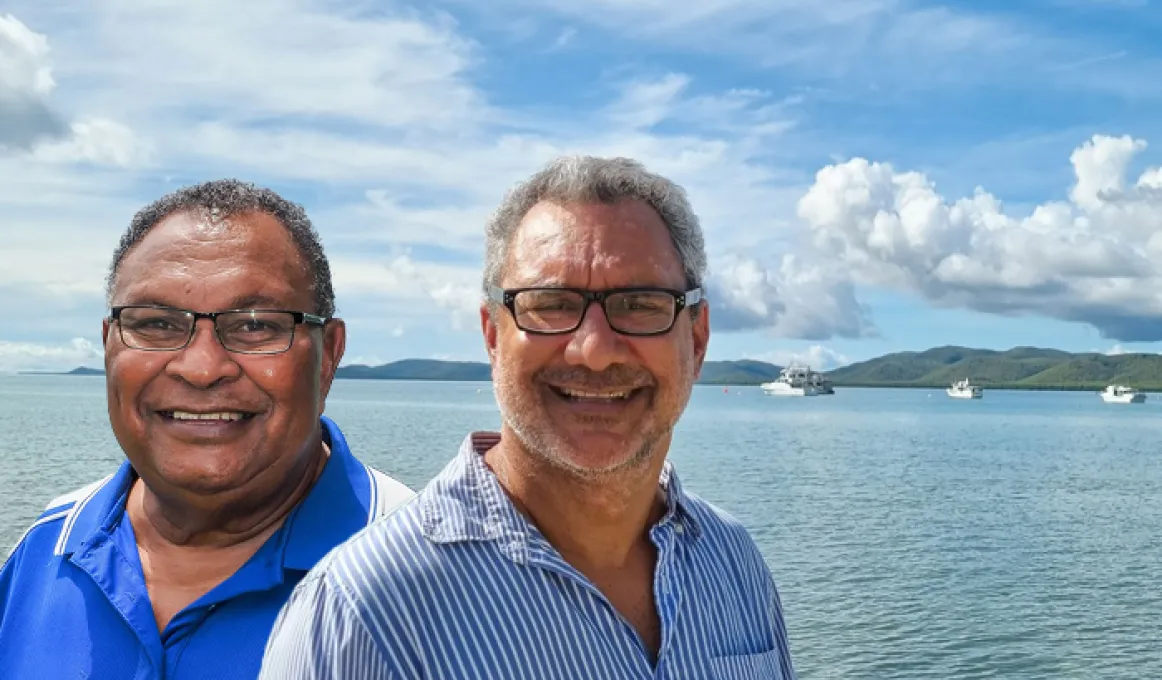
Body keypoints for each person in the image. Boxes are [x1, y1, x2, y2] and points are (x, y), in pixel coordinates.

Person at [261, 156, 798, 679]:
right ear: (493, 336)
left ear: (697, 340)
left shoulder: (732, 563)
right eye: (551, 304)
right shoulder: (361, 616)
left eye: (640, 304)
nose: (594, 351)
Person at [0, 180, 415, 680]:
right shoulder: (46, 549)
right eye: (155, 323)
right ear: (109, 346)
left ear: (328, 355)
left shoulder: (434, 579)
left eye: (256, 324)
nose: (200, 368)